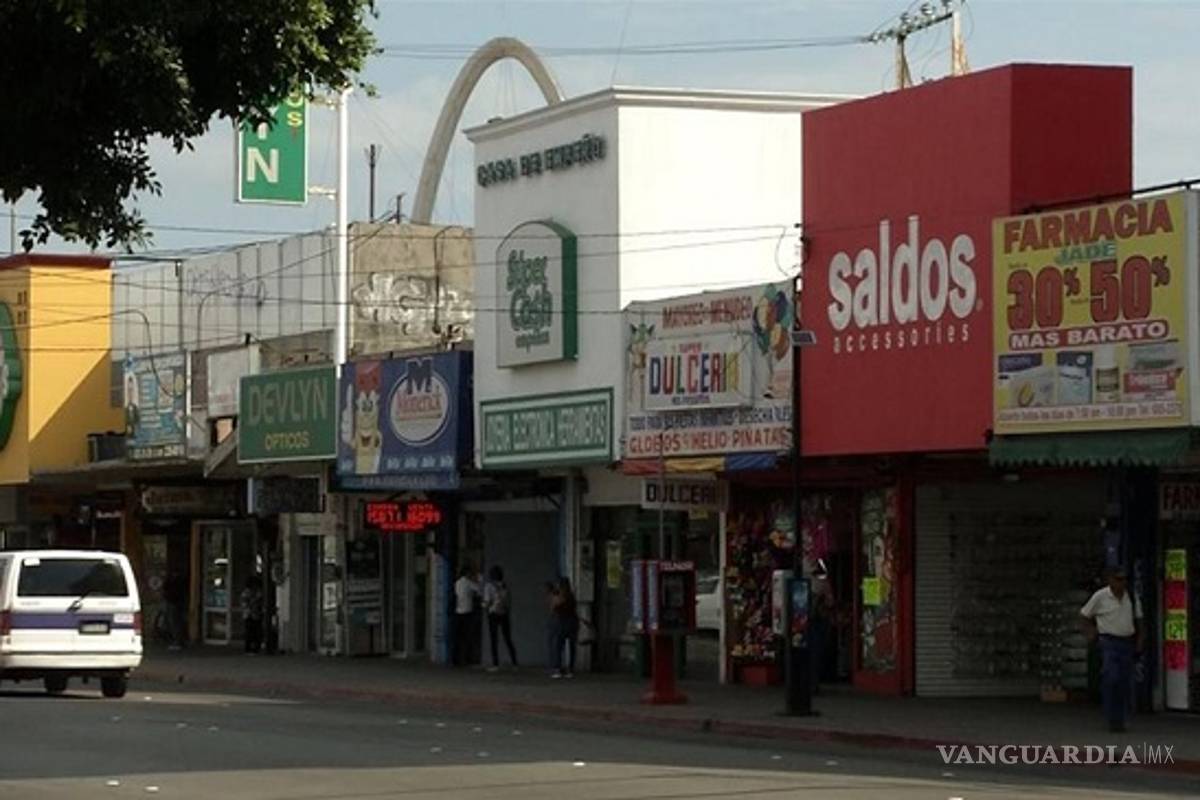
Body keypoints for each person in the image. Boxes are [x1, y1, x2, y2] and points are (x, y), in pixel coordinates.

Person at [1081, 566, 1144, 733]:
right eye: (1117, 579)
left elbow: (1139, 619)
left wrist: (1140, 640)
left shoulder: (1130, 596)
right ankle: (1111, 716)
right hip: (1108, 641)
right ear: (1110, 580)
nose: (1121, 583)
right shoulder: (1101, 596)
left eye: (1123, 580)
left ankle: (1121, 719)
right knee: (1111, 677)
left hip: (1126, 641)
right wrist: (1090, 633)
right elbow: (1084, 615)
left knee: (1124, 681)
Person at [484, 566, 518, 671]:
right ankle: (514, 663)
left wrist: (484, 607)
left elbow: (487, 601)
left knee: (494, 639)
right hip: (504, 613)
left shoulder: (489, 586)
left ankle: (495, 664)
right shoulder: (505, 586)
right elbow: (508, 601)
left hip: (493, 613)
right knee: (507, 638)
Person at [549, 577, 579, 678]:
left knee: (558, 646)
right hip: (572, 622)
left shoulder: (561, 596)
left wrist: (555, 598)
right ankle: (570, 669)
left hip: (562, 622)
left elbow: (554, 608)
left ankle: (558, 668)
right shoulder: (571, 596)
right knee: (571, 646)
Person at [454, 564, 481, 667]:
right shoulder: (469, 582)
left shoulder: (457, 583)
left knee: (459, 636)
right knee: (467, 636)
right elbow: (479, 590)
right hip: (467, 612)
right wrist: (477, 579)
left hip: (458, 611)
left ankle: (458, 659)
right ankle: (466, 658)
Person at [162, 569, 188, 651]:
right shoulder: (178, 581)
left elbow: (166, 588)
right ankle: (177, 641)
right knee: (174, 623)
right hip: (175, 603)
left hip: (174, 603)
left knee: (174, 623)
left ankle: (177, 641)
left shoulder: (176, 582)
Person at [240, 575, 265, 655]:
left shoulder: (257, 592)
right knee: (250, 632)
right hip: (250, 615)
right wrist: (255, 600)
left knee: (256, 632)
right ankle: (249, 649)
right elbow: (245, 604)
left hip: (255, 614)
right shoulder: (246, 593)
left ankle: (255, 648)